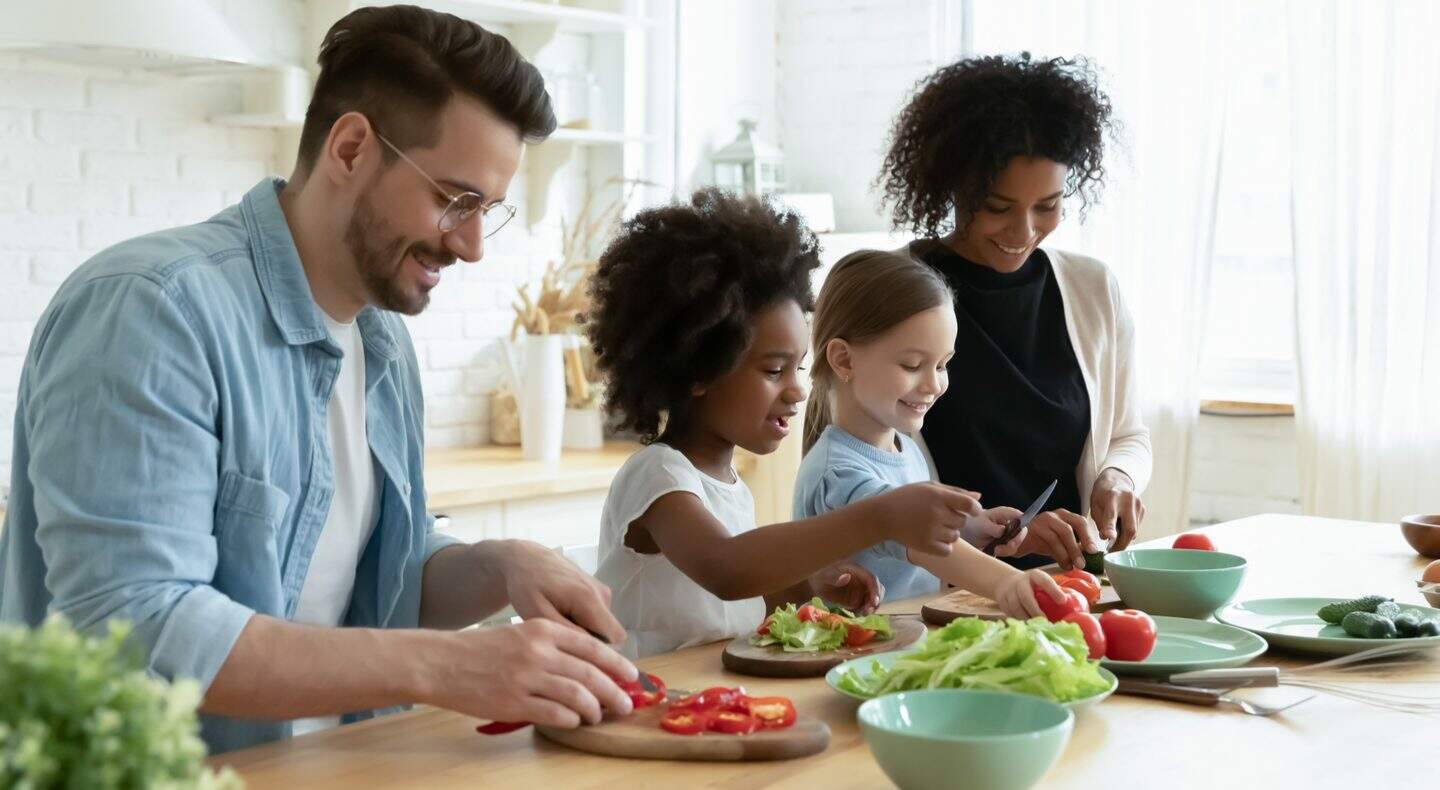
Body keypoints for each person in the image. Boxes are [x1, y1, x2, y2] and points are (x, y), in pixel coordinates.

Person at [0, 5, 638, 753]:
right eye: (453, 200)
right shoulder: (154, 310)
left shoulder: (383, 342)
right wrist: (445, 666)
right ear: (351, 147)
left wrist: (498, 564)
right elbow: (138, 629)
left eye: (486, 212)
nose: (470, 246)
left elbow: (370, 580)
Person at [587, 189, 989, 658]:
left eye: (797, 368)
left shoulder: (728, 482)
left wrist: (809, 587)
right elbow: (726, 570)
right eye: (774, 370)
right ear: (699, 369)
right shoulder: (658, 476)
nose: (798, 390)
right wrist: (882, 515)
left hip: (700, 697)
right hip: (637, 698)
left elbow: (724, 601)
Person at [877, 53, 1152, 570]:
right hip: (942, 595)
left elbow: (1128, 435)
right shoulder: (889, 291)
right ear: (952, 186)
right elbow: (853, 482)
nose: (1023, 231)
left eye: (1047, 206)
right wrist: (1007, 534)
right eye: (999, 208)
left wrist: (1119, 477)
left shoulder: (1093, 290)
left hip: (1070, 585)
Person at [793, 249, 1062, 610]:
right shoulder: (837, 472)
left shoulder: (905, 447)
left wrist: (969, 529)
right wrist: (1006, 581)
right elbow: (915, 539)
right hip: (860, 658)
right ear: (844, 359)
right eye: (913, 364)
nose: (934, 385)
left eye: (942, 365)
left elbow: (905, 544)